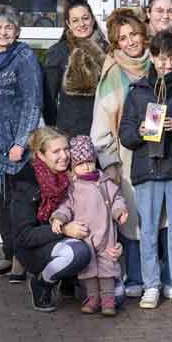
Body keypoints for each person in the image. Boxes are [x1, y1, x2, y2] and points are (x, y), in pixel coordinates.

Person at [118, 31, 172, 312]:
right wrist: (139, 132)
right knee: (148, 230)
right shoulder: (138, 91)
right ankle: (151, 285)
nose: (166, 65)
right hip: (146, 169)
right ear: (152, 57)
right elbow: (125, 132)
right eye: (161, 59)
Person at [0, 5, 44, 282]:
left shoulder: (24, 57)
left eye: (8, 27)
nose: (3, 32)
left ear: (17, 31)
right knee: (2, 205)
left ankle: (22, 260)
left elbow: (33, 101)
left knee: (20, 208)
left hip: (17, 150)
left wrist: (21, 142)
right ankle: (8, 255)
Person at [91, 8, 151, 298]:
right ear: (115, 43)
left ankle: (162, 275)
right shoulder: (113, 74)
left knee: (164, 218)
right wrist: (109, 162)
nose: (130, 42)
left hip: (164, 156)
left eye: (134, 34)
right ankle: (137, 276)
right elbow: (100, 126)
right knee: (133, 219)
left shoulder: (159, 64)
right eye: (122, 38)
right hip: (126, 159)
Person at [10, 127, 101, 313]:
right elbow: (23, 236)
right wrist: (64, 229)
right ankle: (42, 282)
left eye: (66, 149)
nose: (65, 156)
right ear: (41, 156)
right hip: (35, 249)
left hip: (66, 238)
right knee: (79, 252)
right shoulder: (26, 183)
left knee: (115, 295)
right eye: (56, 151)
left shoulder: (74, 176)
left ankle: (70, 280)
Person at [51, 136, 128, 317]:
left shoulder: (104, 182)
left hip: (106, 234)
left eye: (90, 162)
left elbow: (117, 199)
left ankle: (108, 301)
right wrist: (59, 218)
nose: (86, 166)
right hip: (85, 236)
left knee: (107, 268)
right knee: (89, 270)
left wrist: (119, 211)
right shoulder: (73, 187)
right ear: (73, 166)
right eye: (81, 163)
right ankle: (93, 299)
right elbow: (66, 207)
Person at [42, 0, 108, 138]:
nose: (82, 24)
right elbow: (48, 99)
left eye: (85, 18)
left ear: (92, 19)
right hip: (70, 131)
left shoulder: (107, 51)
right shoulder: (58, 52)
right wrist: (55, 133)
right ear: (68, 24)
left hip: (103, 130)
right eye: (75, 20)